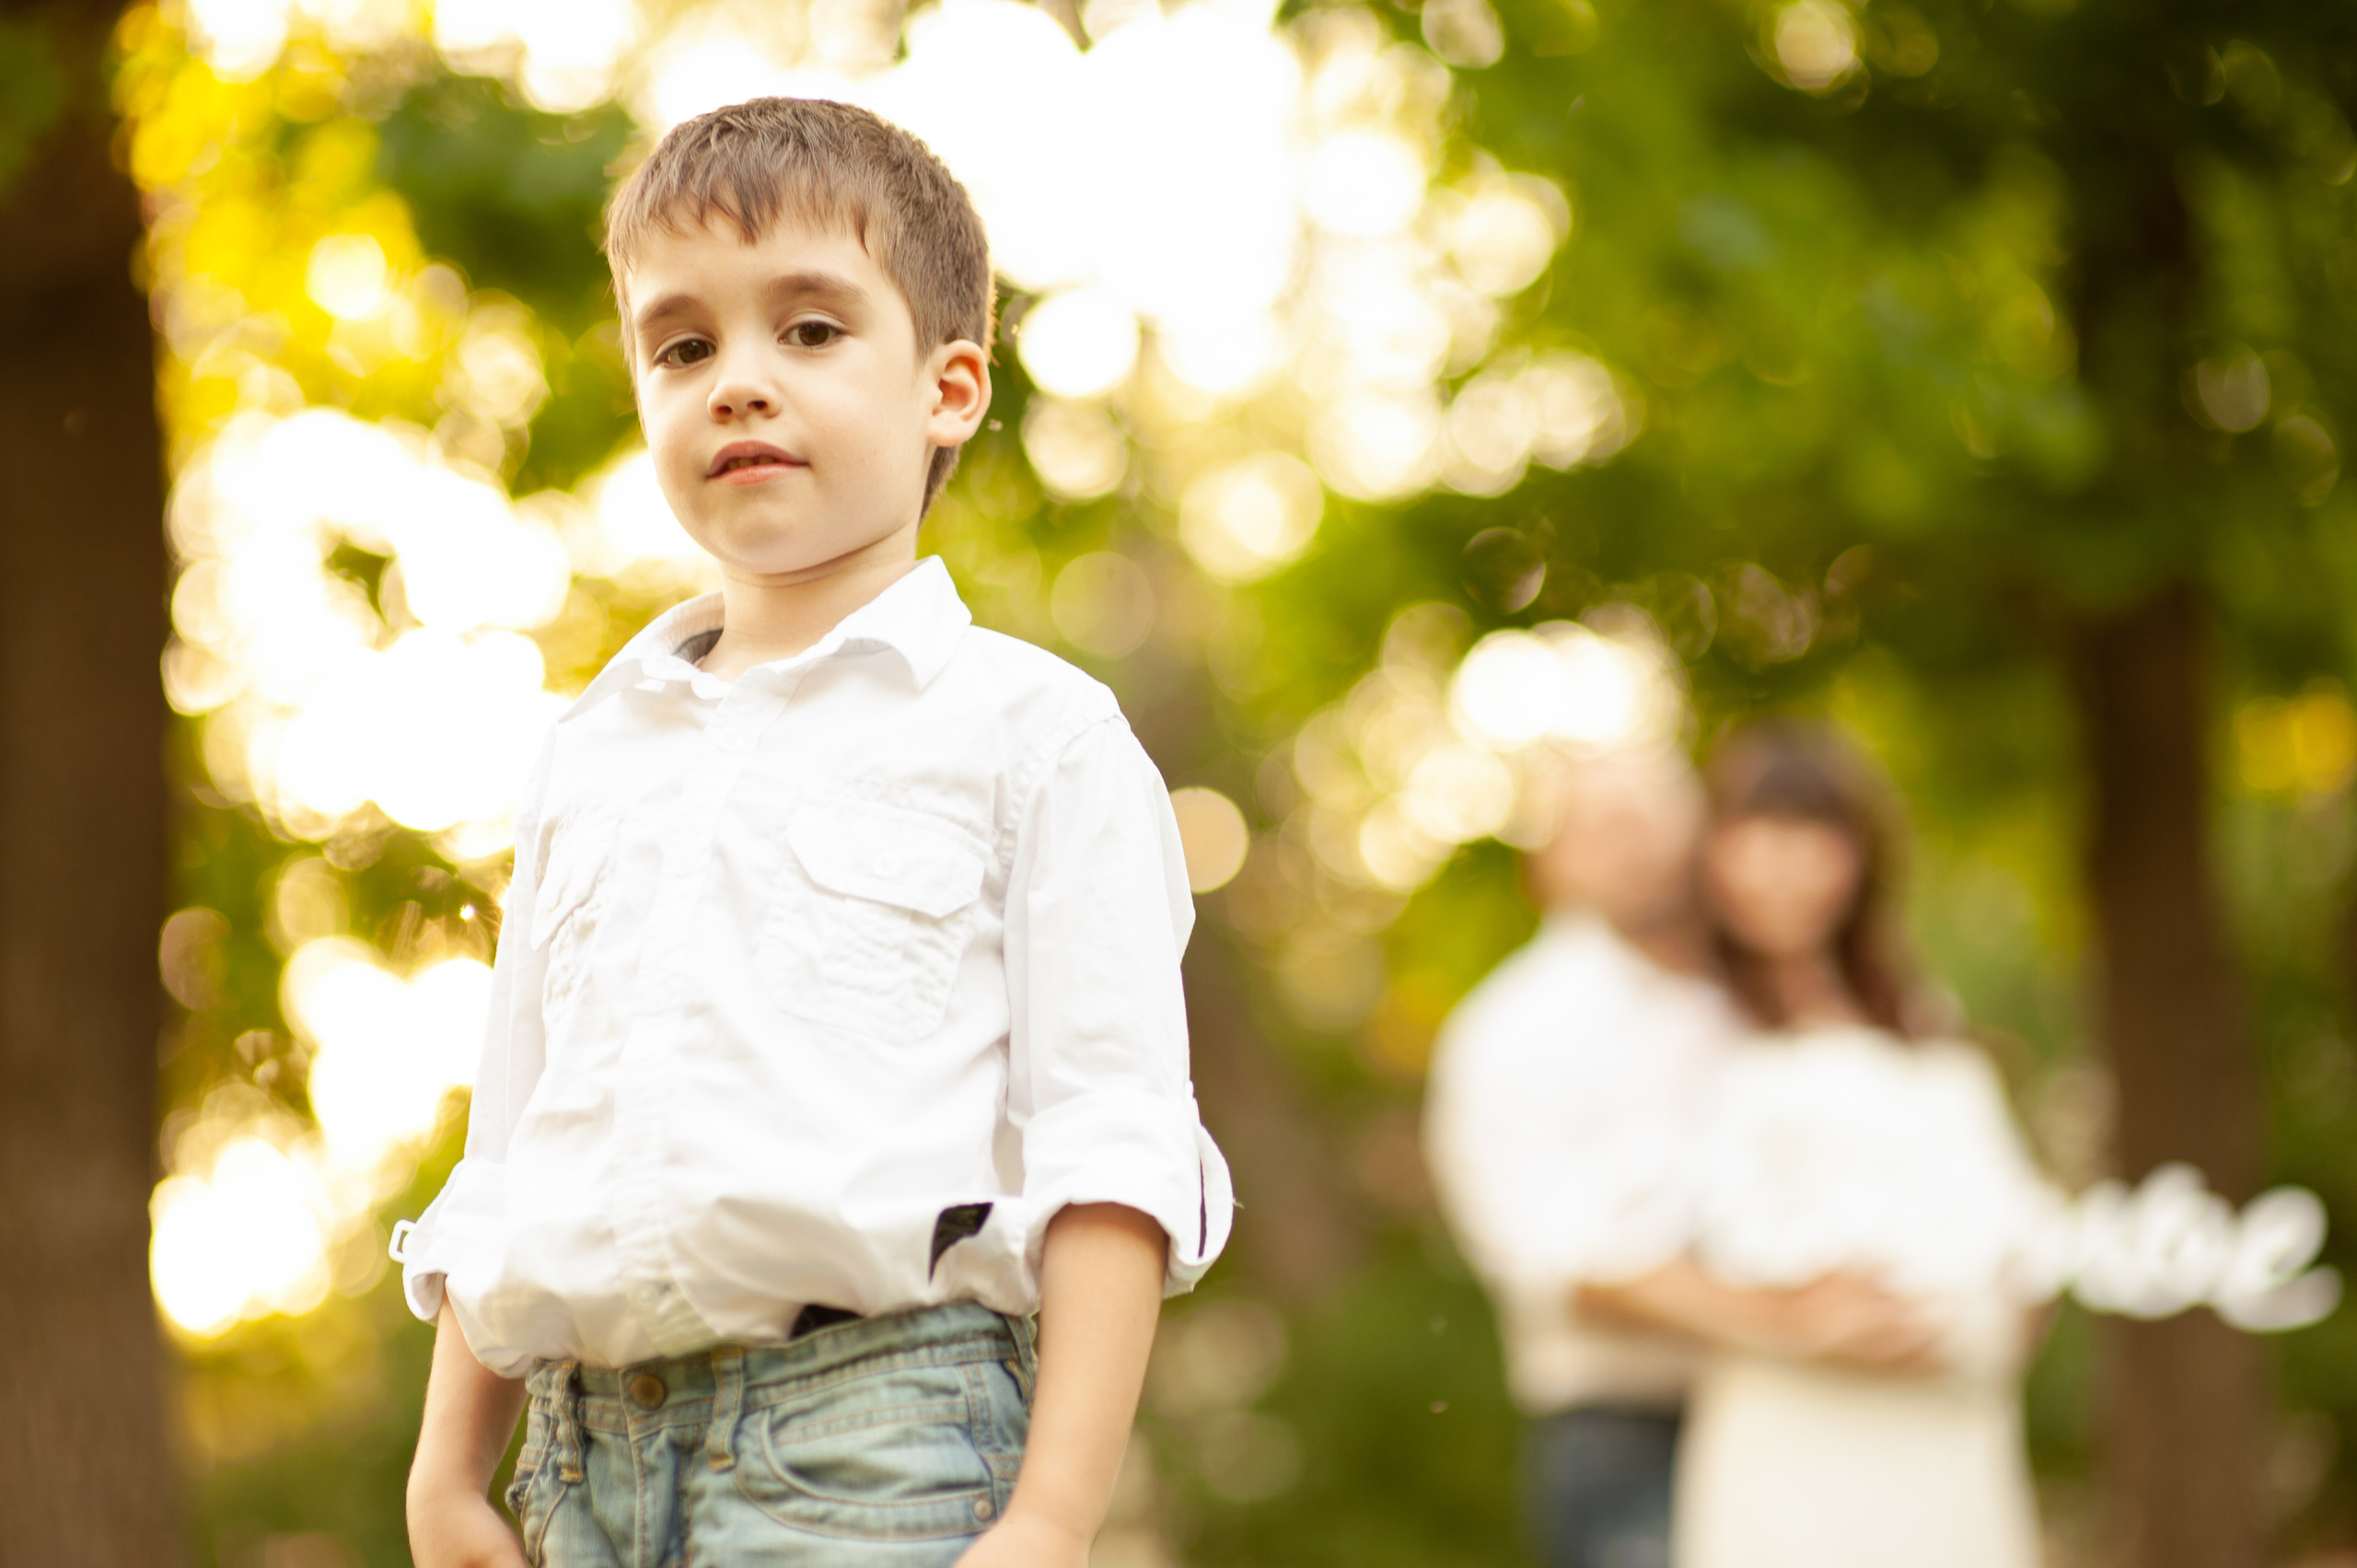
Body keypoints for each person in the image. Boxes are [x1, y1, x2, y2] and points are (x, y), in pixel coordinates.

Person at [395, 98, 1231, 1568]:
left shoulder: (1036, 736)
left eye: (811, 330)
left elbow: (1115, 1149)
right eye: (683, 346)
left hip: (876, 1451)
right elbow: (518, 1137)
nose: (739, 382)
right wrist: (447, 1471)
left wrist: (1052, 1513)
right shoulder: (590, 754)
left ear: (948, 388)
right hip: (581, 1472)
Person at [1596, 721, 2049, 1568]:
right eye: (1756, 832)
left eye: (1812, 833)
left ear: (1859, 855)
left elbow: (2020, 1228)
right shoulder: (1676, 1029)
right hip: (1794, 1441)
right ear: (1710, 852)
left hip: (1949, 1435)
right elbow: (1606, 1256)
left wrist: (1982, 1320)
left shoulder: (1926, 1022)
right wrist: (1800, 1323)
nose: (1784, 864)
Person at [1422, 745, 1744, 1568]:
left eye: (1658, 819)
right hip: (1623, 1429)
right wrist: (1793, 1321)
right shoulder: (1509, 1030)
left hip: (1788, 1412)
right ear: (1548, 863)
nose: (1641, 845)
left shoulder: (1751, 1006)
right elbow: (1557, 1262)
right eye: (1607, 825)